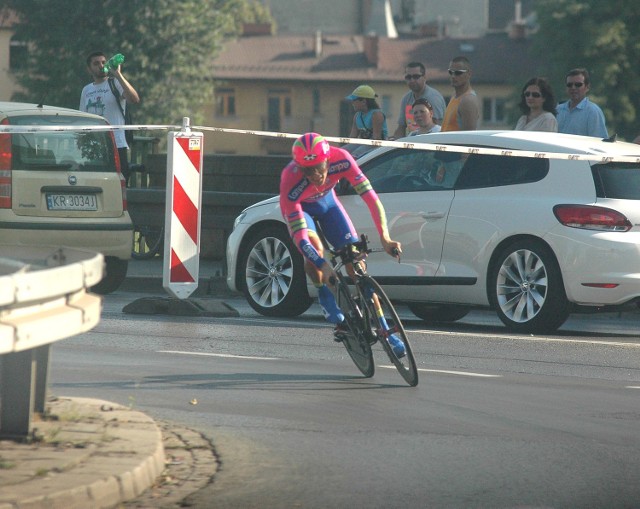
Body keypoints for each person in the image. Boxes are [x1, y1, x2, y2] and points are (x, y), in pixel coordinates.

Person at [279, 132, 406, 357]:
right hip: (303, 211)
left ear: (328, 159)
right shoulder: (291, 178)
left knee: (357, 266)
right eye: (308, 170)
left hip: (329, 206)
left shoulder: (343, 159)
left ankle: (386, 329)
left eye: (319, 167)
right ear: (300, 167)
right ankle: (324, 293)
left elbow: (371, 198)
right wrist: (321, 263)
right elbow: (300, 238)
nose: (315, 175)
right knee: (314, 251)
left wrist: (385, 237)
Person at [80, 51, 140, 180]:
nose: (101, 66)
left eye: (103, 62)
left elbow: (134, 99)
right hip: (94, 146)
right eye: (96, 64)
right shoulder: (86, 90)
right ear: (89, 69)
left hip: (116, 144)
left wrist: (118, 74)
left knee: (119, 183)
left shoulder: (115, 84)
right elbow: (83, 118)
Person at [391, 62, 446, 139]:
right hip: (412, 143)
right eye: (408, 77)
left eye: (416, 76)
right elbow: (401, 127)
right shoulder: (406, 98)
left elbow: (438, 128)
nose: (412, 80)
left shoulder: (433, 98)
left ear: (424, 77)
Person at [556, 68, 607, 138]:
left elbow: (599, 142)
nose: (573, 87)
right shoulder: (558, 110)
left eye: (578, 84)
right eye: (569, 85)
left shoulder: (593, 112)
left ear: (587, 87)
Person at [441, 56, 481, 132]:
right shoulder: (454, 96)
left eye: (458, 73)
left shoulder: (468, 101)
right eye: (450, 72)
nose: (453, 76)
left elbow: (469, 137)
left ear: (469, 74)